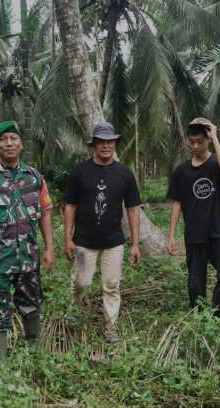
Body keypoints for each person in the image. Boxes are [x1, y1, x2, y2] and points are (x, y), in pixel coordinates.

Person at [0, 120, 55, 358]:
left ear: (20, 144)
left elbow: (45, 214)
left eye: (13, 138)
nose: (9, 143)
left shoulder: (35, 177)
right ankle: (2, 364)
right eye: (3, 139)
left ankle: (34, 353)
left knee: (32, 304)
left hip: (29, 257)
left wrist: (49, 248)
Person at [63, 121, 142, 343]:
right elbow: (69, 206)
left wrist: (135, 244)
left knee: (111, 284)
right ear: (93, 145)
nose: (106, 145)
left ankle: (110, 327)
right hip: (83, 241)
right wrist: (67, 238)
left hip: (113, 242)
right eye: (101, 142)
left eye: (110, 141)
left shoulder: (125, 174)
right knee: (81, 282)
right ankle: (74, 311)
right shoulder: (80, 172)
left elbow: (133, 209)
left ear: (115, 144)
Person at [166, 117, 220, 316]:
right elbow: (176, 202)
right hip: (194, 234)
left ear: (208, 140)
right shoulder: (182, 171)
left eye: (200, 142)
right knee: (196, 282)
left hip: (217, 231)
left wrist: (215, 136)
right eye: (192, 141)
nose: (195, 146)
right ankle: (200, 317)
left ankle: (219, 317)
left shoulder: (217, 163)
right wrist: (171, 235)